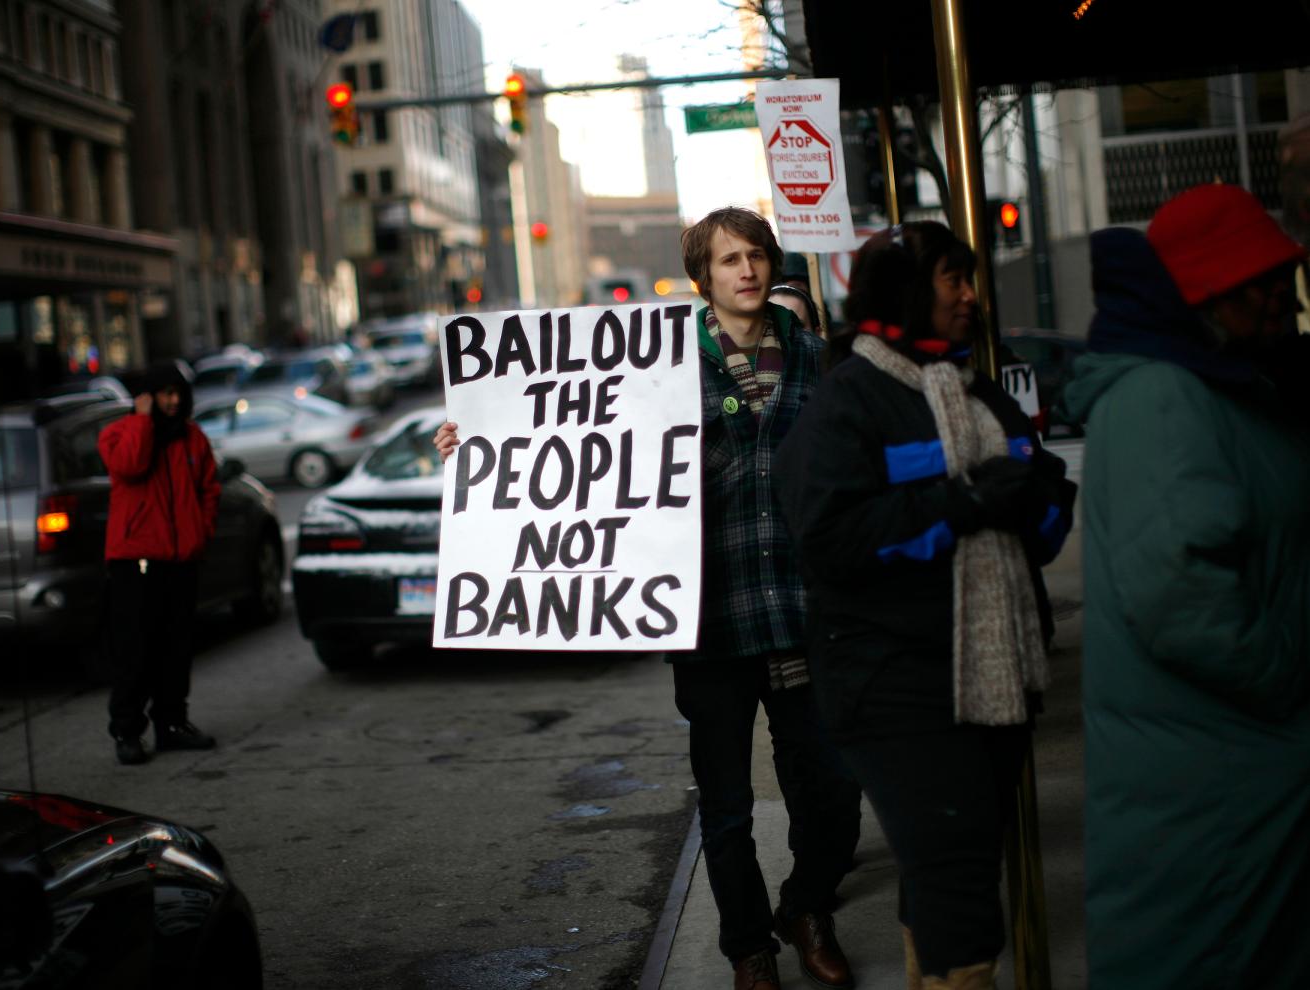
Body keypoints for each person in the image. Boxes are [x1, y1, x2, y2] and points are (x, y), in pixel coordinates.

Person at [436, 207, 862, 990]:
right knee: (728, 803)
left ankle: (806, 908)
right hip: (708, 619)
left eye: (757, 255)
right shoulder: (657, 363)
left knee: (831, 789)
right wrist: (485, 437)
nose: (747, 270)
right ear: (703, 277)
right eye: (729, 259)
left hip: (802, 614)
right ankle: (749, 948)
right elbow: (570, 431)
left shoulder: (811, 355)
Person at [773, 221, 1074, 990]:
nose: (971, 295)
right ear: (905, 292)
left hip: (993, 673)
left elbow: (1042, 525)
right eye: (953, 280)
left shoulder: (976, 390)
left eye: (970, 279)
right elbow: (831, 542)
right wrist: (965, 502)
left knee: (952, 864)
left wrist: (1036, 499)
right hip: (892, 680)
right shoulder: (848, 402)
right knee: (959, 880)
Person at [1058, 184, 1310, 988]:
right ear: (1204, 291)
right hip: (1219, 781)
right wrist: (1291, 677)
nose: (1280, 295)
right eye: (1256, 280)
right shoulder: (1163, 397)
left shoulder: (1221, 385)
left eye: (1282, 274)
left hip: (1236, 771)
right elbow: (1179, 596)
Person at [98, 360, 221, 765]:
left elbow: (209, 489)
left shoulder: (193, 439)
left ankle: (172, 724)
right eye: (163, 394)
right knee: (135, 651)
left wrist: (200, 533)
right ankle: (128, 732)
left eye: (177, 394)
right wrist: (141, 419)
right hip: (135, 562)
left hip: (181, 560)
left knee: (176, 649)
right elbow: (130, 466)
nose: (172, 401)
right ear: (147, 397)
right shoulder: (119, 434)